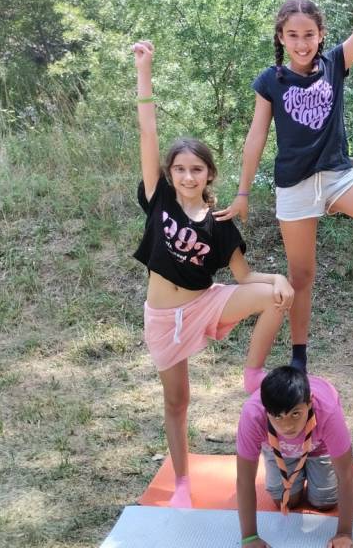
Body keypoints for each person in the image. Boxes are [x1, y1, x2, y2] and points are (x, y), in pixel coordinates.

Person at [216, 0, 353, 372]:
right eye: (292, 35)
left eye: (309, 34)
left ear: (321, 34)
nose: (301, 43)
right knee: (301, 276)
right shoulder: (270, 80)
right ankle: (299, 358)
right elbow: (256, 137)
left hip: (337, 176)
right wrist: (242, 192)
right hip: (294, 186)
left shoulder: (335, 63)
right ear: (281, 37)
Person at [131, 41, 294, 508]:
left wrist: (278, 279)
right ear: (170, 173)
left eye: (196, 170)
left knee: (277, 297)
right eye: (180, 169)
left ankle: (252, 371)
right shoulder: (159, 197)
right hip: (164, 318)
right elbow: (147, 131)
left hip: (205, 303)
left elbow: (244, 277)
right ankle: (182, 483)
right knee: (177, 402)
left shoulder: (220, 223)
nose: (188, 177)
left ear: (209, 174)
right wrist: (145, 70)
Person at [236, 366, 353, 548]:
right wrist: (249, 538)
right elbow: (244, 479)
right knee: (284, 501)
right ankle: (298, 474)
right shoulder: (252, 415)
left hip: (318, 446)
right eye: (277, 417)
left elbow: (346, 475)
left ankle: (309, 471)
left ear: (309, 402)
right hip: (279, 447)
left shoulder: (328, 412)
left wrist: (344, 533)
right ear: (266, 411)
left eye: (295, 414)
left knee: (325, 502)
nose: (287, 426)